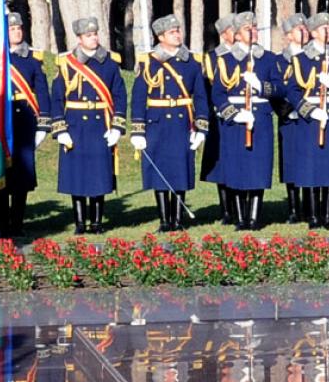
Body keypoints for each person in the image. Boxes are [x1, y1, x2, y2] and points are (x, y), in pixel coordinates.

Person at [131, 14, 209, 230]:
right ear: (160, 36)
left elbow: (201, 98)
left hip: (182, 123)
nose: (177, 35)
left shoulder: (192, 62)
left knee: (179, 170)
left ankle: (177, 220)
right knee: (160, 173)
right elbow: (138, 98)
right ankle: (165, 220)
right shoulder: (148, 62)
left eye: (178, 31)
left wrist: (201, 128)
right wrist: (137, 130)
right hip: (156, 123)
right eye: (172, 32)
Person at [50, 17, 127, 234]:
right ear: (79, 38)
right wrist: (60, 129)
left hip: (100, 124)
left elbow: (120, 95)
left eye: (95, 34)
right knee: (77, 175)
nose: (94, 38)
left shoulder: (110, 62)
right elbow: (57, 99)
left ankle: (97, 222)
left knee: (99, 175)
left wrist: (117, 126)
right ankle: (80, 223)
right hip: (75, 125)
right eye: (88, 35)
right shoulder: (66, 63)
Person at [0, 14, 47, 240]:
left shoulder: (32, 59)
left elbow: (42, 92)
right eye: (12, 28)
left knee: (20, 177)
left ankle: (17, 223)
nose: (17, 31)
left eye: (19, 28)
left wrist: (44, 125)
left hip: (23, 120)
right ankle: (1, 224)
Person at [207, 13, 279, 229]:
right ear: (237, 35)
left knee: (257, 168)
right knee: (236, 169)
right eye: (248, 28)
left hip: (260, 119)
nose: (254, 31)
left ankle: (255, 217)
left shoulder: (268, 58)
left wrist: (259, 86)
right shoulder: (226, 61)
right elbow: (218, 94)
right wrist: (233, 113)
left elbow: (279, 88)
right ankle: (240, 218)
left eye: (255, 27)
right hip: (236, 121)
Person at [277, 14, 329, 227]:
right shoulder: (300, 60)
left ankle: (328, 215)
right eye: (323, 28)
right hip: (311, 117)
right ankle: (313, 215)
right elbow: (292, 90)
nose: (328, 31)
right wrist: (308, 110)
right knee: (310, 167)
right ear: (313, 32)